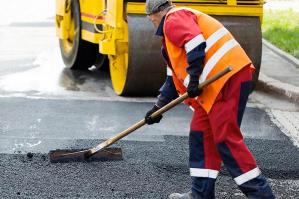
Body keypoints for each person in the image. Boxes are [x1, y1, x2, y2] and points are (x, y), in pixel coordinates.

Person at [144, 0, 275, 198]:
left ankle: (261, 194)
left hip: (225, 80)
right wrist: (157, 108)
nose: (151, 22)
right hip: (212, 89)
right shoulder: (169, 42)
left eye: (150, 19)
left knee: (225, 139)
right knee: (200, 135)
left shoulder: (174, 18)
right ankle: (200, 194)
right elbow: (173, 80)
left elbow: (195, 42)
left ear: (155, 13)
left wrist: (195, 78)